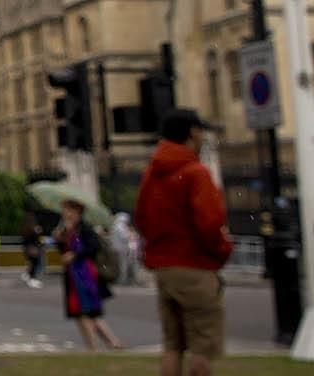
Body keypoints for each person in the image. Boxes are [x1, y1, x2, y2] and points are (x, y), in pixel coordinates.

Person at [135, 107, 232, 376]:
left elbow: (142, 217)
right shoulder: (194, 172)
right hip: (194, 265)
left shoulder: (153, 173)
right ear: (193, 132)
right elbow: (210, 223)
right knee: (201, 349)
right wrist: (222, 252)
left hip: (164, 267)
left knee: (173, 346)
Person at [57, 198, 125, 350]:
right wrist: (61, 238)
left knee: (85, 312)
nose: (64, 213)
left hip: (85, 275)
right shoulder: (65, 229)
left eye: (67, 209)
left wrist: (75, 255)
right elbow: (62, 251)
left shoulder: (85, 229)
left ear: (76, 211)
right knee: (83, 313)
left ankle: (93, 347)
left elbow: (94, 247)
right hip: (72, 275)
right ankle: (112, 342)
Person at [20, 213, 46, 289]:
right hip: (33, 248)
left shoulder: (25, 228)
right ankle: (32, 279)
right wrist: (38, 232)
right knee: (36, 263)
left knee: (32, 263)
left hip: (28, 248)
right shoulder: (33, 229)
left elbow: (25, 240)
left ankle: (28, 276)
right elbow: (35, 239)